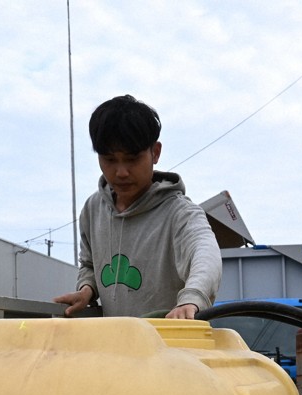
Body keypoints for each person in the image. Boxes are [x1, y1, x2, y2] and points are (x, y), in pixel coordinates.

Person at [54, 95, 221, 319]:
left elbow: (206, 255)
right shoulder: (93, 210)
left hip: (169, 338)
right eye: (109, 159)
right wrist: (87, 289)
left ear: (155, 153)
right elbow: (89, 264)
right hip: (117, 340)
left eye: (132, 159)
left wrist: (192, 298)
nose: (121, 172)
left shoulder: (180, 213)